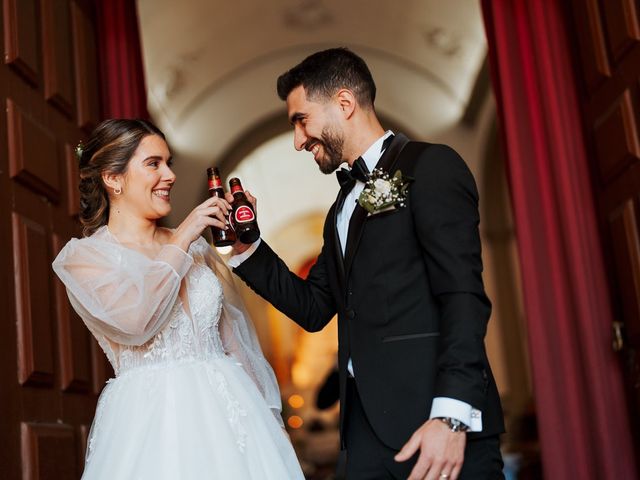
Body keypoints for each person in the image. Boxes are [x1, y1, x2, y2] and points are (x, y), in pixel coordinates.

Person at [230, 48, 505, 479]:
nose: (298, 141)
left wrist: (451, 416)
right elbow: (314, 307)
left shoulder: (431, 167)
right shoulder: (340, 209)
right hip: (363, 436)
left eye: (301, 121)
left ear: (344, 103)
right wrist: (247, 246)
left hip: (435, 422)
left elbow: (463, 298)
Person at [52, 119, 304, 479]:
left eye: (168, 162)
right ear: (113, 177)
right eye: (154, 164)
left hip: (234, 416)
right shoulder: (87, 258)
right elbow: (137, 322)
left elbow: (233, 343)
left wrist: (271, 423)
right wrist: (183, 235)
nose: (169, 175)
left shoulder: (199, 250)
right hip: (153, 425)